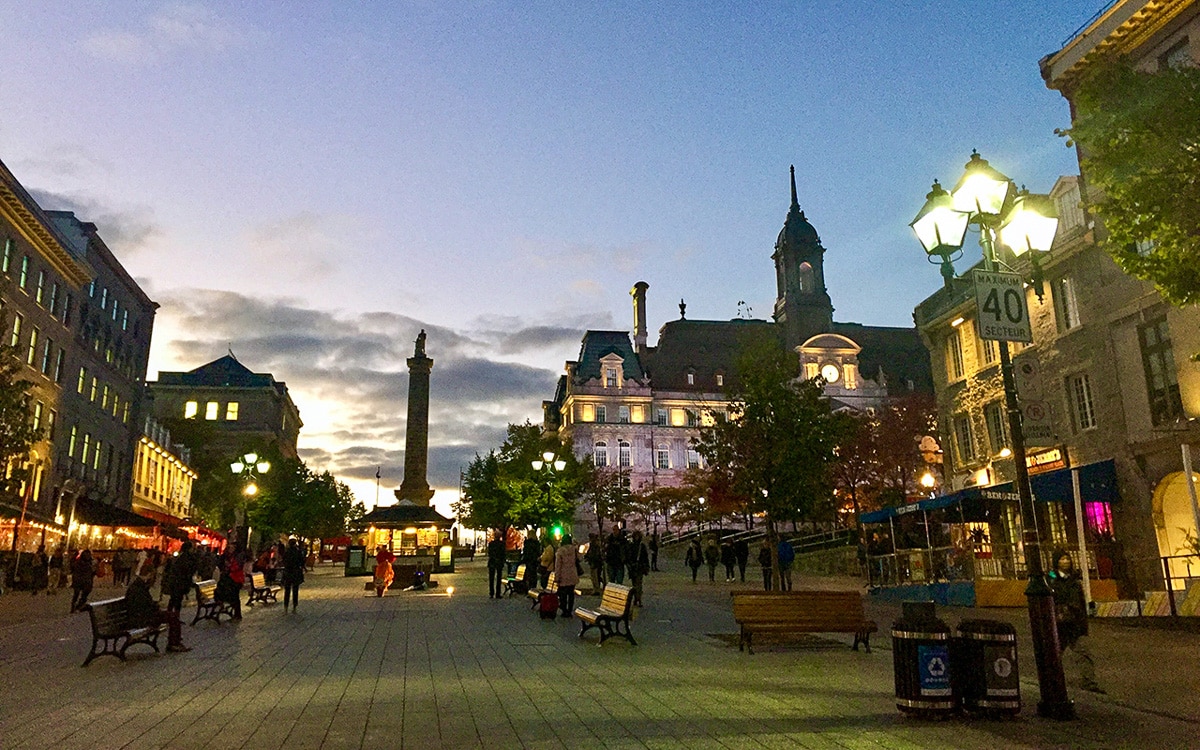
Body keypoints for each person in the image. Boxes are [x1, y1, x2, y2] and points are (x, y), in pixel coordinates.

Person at [1048, 549, 1103, 693]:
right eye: (1062, 559)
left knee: (1084, 653)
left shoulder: (1074, 580)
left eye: (1067, 559)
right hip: (1059, 625)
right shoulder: (1051, 580)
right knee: (1054, 655)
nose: (1065, 562)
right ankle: (1052, 682)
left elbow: (1080, 601)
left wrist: (1083, 625)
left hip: (1074, 624)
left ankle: (1089, 682)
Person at [126, 559, 189, 653]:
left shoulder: (139, 585)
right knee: (172, 616)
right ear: (149, 574)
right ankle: (174, 643)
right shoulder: (138, 588)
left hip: (142, 615)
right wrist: (155, 606)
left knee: (172, 615)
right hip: (141, 618)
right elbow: (143, 605)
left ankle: (175, 642)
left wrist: (155, 606)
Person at [164, 542, 198, 651]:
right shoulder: (186, 559)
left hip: (177, 584)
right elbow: (188, 570)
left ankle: (172, 614)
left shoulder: (180, 558)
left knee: (174, 601)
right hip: (179, 584)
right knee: (176, 601)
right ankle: (172, 616)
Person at [553, 533, 580, 616]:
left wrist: (557, 577)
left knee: (563, 594)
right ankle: (569, 610)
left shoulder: (560, 551)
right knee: (571, 593)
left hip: (563, 575)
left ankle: (564, 610)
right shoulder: (574, 550)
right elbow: (579, 559)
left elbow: (558, 565)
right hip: (572, 574)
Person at [216, 548, 245, 620]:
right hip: (234, 579)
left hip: (235, 580)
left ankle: (237, 614)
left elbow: (236, 568)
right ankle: (237, 613)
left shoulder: (236, 558)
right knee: (235, 597)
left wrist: (229, 567)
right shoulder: (231, 557)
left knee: (235, 597)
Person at [281, 537, 305, 612]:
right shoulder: (298, 552)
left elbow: (283, 561)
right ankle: (294, 606)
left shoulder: (286, 552)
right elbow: (302, 562)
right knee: (295, 590)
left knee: (287, 590)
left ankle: (286, 606)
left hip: (288, 572)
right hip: (296, 572)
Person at [627, 531, 650, 606]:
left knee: (638, 583)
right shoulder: (638, 546)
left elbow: (645, 557)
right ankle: (637, 598)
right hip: (636, 567)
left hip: (638, 567)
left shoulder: (637, 546)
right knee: (636, 584)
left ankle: (638, 598)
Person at [486, 531, 507, 599]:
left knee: (491, 578)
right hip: (499, 562)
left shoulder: (491, 543)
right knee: (498, 578)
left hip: (492, 562)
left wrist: (494, 558)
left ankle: (491, 593)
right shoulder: (502, 544)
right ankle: (498, 593)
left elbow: (490, 553)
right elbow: (503, 554)